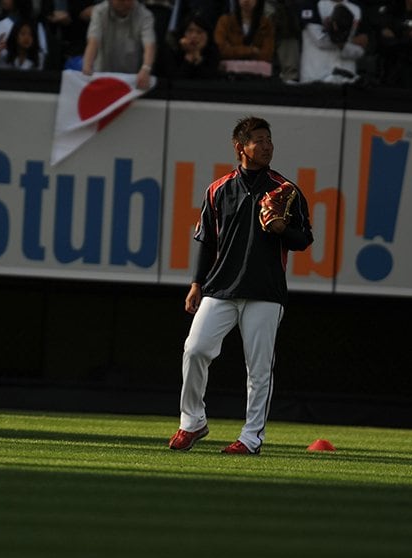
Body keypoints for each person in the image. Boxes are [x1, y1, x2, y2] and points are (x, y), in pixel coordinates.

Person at [168, 115, 313, 455]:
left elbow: (304, 239)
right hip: (220, 287)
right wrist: (196, 283)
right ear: (240, 148)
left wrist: (283, 230)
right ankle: (192, 422)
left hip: (265, 291)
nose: (267, 146)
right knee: (195, 349)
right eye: (258, 140)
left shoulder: (285, 189)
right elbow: (206, 241)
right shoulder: (218, 189)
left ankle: (250, 438)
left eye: (269, 140)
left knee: (259, 369)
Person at [82, 0, 156, 90]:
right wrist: (87, 66)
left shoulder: (145, 15)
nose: (123, 2)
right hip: (102, 72)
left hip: (131, 77)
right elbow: (93, 41)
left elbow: (149, 45)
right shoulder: (99, 11)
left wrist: (146, 68)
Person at [298, 0, 370, 83]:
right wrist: (350, 40)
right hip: (316, 75)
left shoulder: (357, 7)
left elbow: (360, 50)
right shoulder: (311, 4)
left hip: (346, 76)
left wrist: (341, 39)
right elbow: (320, 41)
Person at [215, 0, 276, 77]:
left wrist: (233, 51)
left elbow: (266, 55)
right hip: (228, 76)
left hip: (257, 76)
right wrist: (251, 50)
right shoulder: (225, 21)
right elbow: (221, 50)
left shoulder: (266, 24)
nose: (246, 1)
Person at [163, 10, 222, 77]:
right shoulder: (173, 50)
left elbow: (210, 79)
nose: (194, 36)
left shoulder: (213, 51)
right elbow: (175, 79)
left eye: (199, 32)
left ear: (208, 36)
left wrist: (198, 58)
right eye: (190, 31)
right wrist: (189, 56)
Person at [0, 0, 49, 68]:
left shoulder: (36, 26)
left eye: (30, 34)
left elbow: (42, 55)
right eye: (23, 34)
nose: (26, 38)